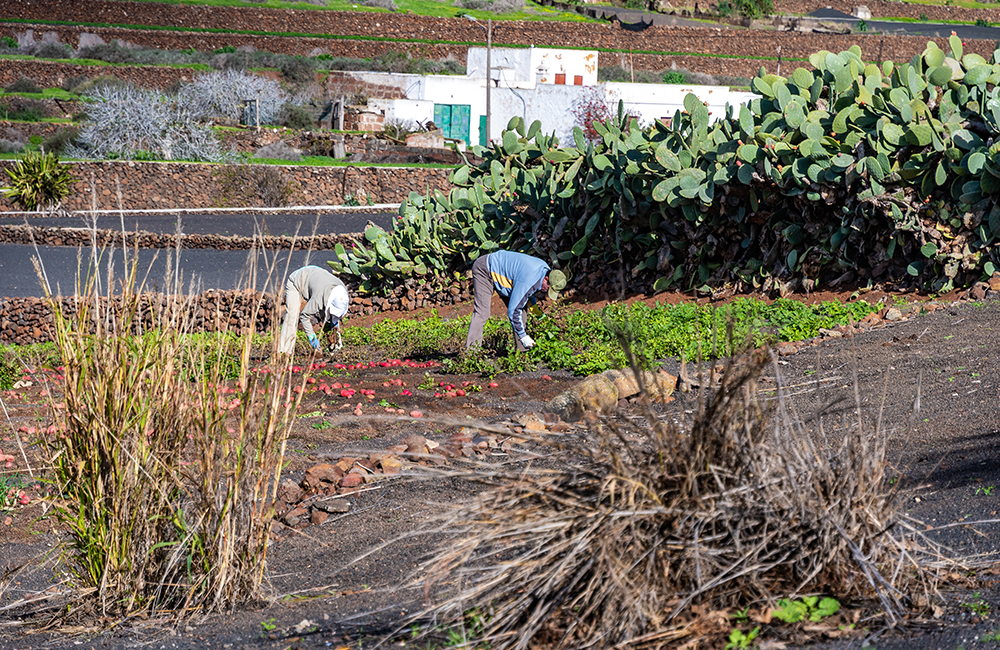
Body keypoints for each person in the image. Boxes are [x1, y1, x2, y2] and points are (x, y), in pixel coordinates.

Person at [465, 250, 566, 352]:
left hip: (507, 277)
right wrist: (523, 336)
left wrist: (536, 311)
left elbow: (528, 294)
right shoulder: (529, 280)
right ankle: (471, 353)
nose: (547, 292)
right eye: (549, 288)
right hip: (485, 269)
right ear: (546, 279)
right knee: (482, 312)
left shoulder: (544, 271)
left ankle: (523, 351)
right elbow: (513, 310)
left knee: (521, 311)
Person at [279, 265, 350, 356]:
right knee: (292, 316)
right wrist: (313, 340)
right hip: (297, 280)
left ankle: (335, 348)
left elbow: (334, 318)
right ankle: (284, 352)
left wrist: (336, 337)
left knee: (329, 319)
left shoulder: (342, 293)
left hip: (316, 275)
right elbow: (304, 317)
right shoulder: (318, 298)